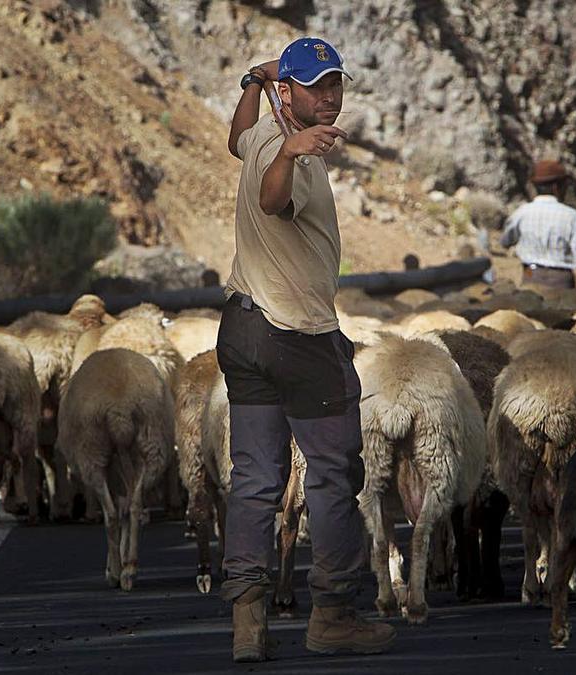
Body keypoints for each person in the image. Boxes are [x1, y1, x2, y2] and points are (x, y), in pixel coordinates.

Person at [220, 37, 396, 662]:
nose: (330, 96)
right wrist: (293, 150)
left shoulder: (263, 134)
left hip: (242, 328)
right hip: (299, 335)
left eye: (336, 84)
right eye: (315, 86)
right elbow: (272, 200)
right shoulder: (287, 151)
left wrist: (252, 81)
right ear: (289, 94)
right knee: (331, 476)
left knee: (255, 475)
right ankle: (333, 615)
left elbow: (236, 137)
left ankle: (248, 623)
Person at [499, 159, 576, 289]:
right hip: (561, 283)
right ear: (556, 187)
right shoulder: (571, 216)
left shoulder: (521, 213)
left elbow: (505, 242)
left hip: (531, 278)